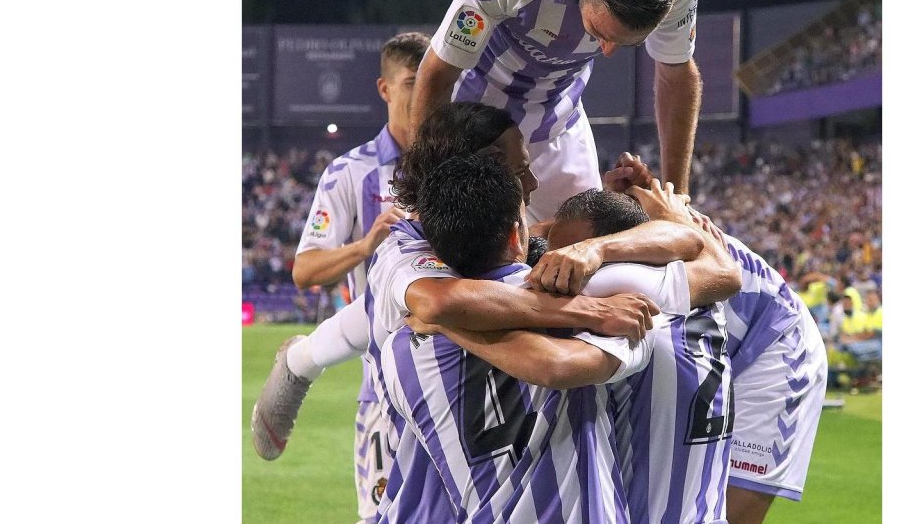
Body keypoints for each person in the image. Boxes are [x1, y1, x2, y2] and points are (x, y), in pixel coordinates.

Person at [250, 103, 664, 516]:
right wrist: (586, 311)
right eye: (520, 170)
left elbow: (533, 243)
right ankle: (301, 361)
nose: (533, 182)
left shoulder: (482, 247)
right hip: (416, 437)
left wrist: (609, 219)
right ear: (482, 169)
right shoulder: (405, 249)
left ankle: (303, 359)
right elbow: (438, 302)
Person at [380, 154, 740, 522]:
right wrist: (657, 217)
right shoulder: (594, 296)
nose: (555, 259)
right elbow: (722, 271)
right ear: (515, 232)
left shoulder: (394, 350)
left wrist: (444, 320)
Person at [535, 156, 830, 524]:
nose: (557, 257)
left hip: (778, 344)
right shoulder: (664, 229)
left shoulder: (629, 271)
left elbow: (726, 275)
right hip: (712, 329)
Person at [410, 0, 704, 224]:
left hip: (558, 113)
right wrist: (423, 194)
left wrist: (678, 201)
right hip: (476, 114)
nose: (606, 50)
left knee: (582, 249)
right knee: (474, 249)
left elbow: (676, 75)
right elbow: (437, 73)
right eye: (598, 31)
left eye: (625, 43)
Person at [254, 32, 425, 522]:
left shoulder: (458, 165)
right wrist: (364, 246)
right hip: (383, 390)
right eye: (411, 82)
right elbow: (305, 270)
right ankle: (305, 357)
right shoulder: (351, 173)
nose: (422, 94)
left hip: (453, 375)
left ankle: (306, 358)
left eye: (430, 81)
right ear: (384, 88)